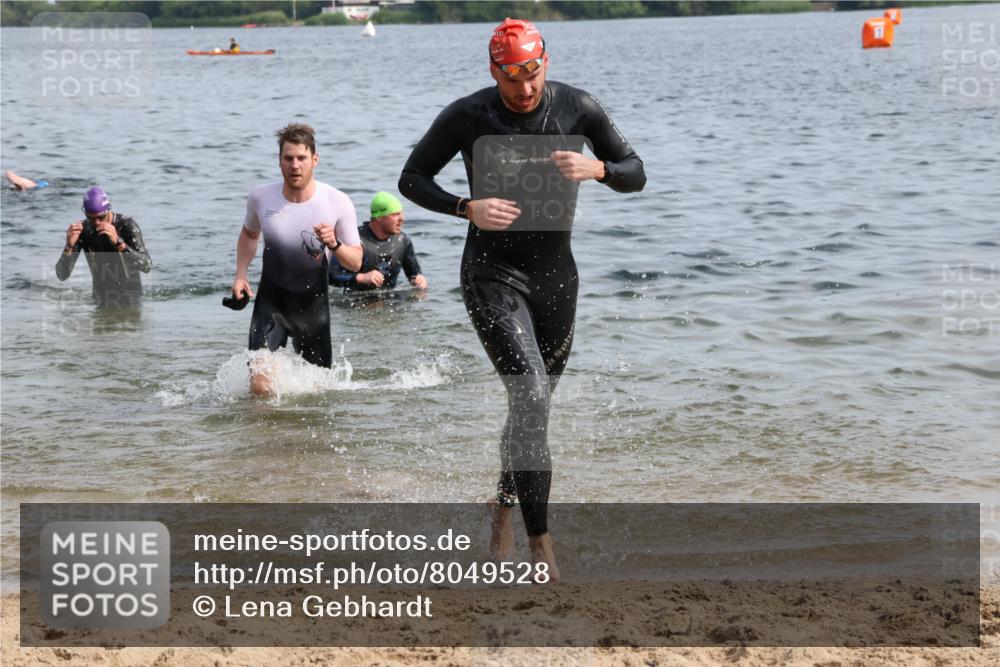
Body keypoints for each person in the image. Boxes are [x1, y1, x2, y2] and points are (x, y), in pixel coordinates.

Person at [398, 18, 645, 581]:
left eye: (532, 74)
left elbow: (637, 173)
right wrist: (466, 207)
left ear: (545, 64)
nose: (524, 88)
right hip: (491, 273)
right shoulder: (470, 115)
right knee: (530, 394)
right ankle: (542, 549)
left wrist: (599, 168)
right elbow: (412, 178)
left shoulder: (579, 109)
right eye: (511, 77)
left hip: (558, 280)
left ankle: (502, 508)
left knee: (531, 409)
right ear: (494, 72)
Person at [231, 123, 362, 396]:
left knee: (317, 396)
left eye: (301, 158)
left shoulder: (337, 202)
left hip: (313, 311)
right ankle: (265, 438)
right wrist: (241, 274)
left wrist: (334, 244)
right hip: (271, 306)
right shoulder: (261, 197)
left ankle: (300, 440)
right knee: (261, 385)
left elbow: (356, 263)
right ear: (279, 161)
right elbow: (249, 235)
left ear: (315, 159)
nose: (295, 165)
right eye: (288, 158)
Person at [56, 186, 152, 307]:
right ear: (84, 212)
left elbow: (147, 265)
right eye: (90, 218)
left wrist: (118, 242)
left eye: (101, 217)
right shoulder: (82, 231)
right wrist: (68, 247)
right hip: (99, 300)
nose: (96, 222)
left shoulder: (126, 225)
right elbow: (62, 275)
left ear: (108, 209)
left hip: (131, 300)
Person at [329, 191, 428, 292]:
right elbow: (330, 276)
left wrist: (419, 280)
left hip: (391, 301)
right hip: (357, 301)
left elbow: (414, 274)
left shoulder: (403, 241)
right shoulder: (354, 241)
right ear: (379, 217)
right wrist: (360, 278)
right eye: (395, 214)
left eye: (401, 214)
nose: (402, 219)